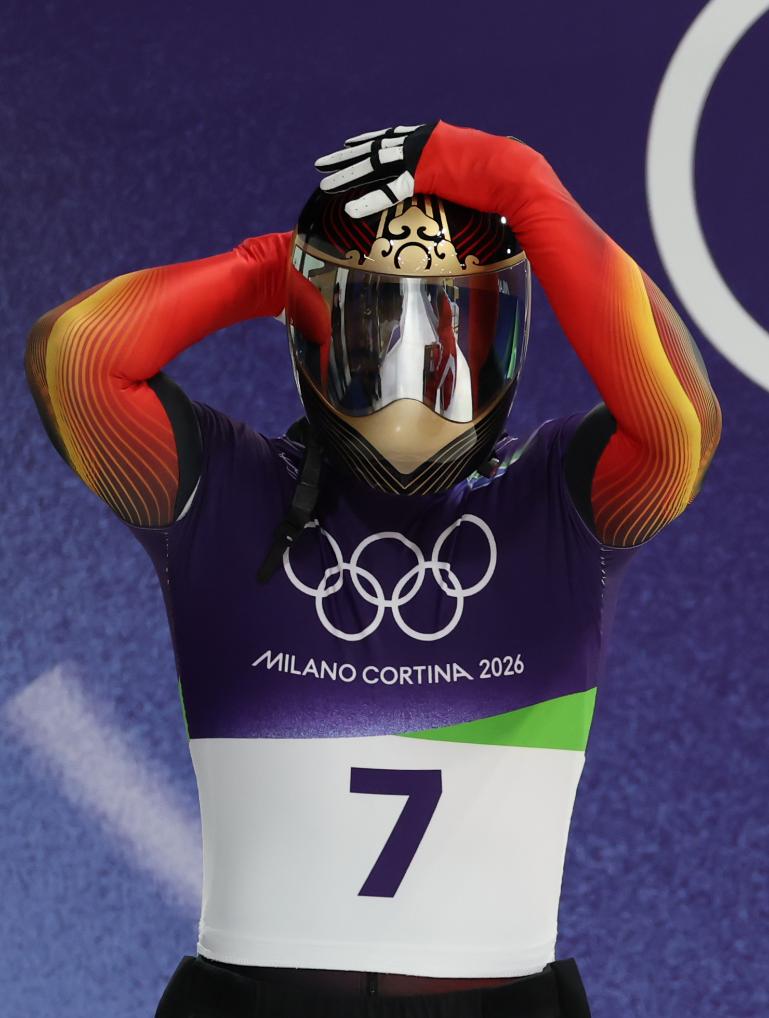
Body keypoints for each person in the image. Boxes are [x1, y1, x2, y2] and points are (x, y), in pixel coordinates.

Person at [24, 120, 722, 1018]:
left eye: (450, 324)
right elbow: (76, 358)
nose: (412, 372)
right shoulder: (229, 489)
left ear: (501, 334)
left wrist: (518, 182)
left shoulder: (550, 501)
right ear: (318, 326)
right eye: (376, 323)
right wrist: (270, 270)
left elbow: (679, 425)